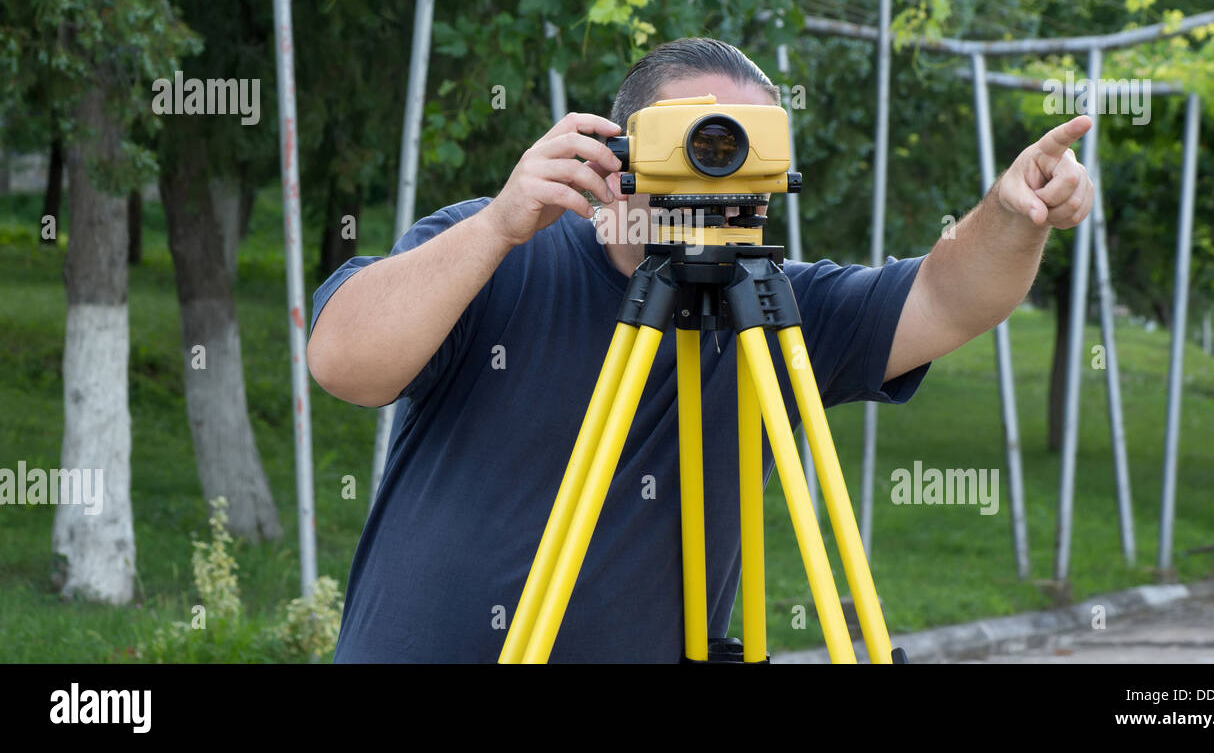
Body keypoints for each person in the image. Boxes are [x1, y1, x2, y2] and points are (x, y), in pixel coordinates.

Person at [306, 37, 1094, 663]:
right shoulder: (502, 249)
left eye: (744, 144)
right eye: (695, 141)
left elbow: (952, 295)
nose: (721, 166)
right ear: (619, 154)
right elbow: (343, 362)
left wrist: (1014, 211)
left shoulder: (781, 310)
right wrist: (496, 226)